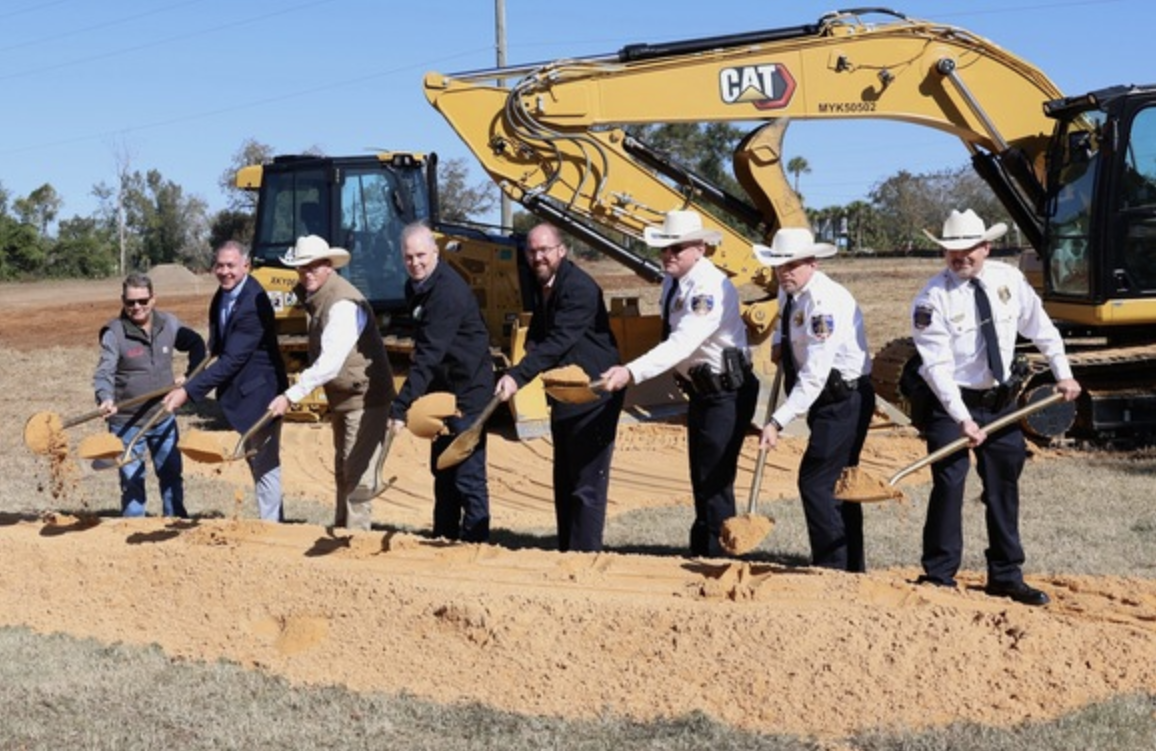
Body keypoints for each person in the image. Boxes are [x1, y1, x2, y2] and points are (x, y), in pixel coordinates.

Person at [911, 208, 1082, 606]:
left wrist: (1064, 372)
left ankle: (1005, 575)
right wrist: (964, 419)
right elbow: (936, 368)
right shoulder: (930, 299)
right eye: (952, 250)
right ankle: (938, 575)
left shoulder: (1008, 279)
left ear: (986, 247)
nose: (960, 257)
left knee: (1003, 486)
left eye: (969, 248)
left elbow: (1041, 327)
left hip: (1002, 403)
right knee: (949, 483)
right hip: (950, 403)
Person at [601, 210, 758, 557]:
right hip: (704, 392)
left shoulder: (709, 288)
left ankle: (720, 559)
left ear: (700, 248)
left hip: (726, 392)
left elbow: (681, 343)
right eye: (665, 248)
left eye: (678, 248)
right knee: (702, 477)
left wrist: (630, 372)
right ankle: (704, 550)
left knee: (715, 480)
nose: (669, 254)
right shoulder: (673, 281)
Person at [494, 223, 625, 552]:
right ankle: (566, 551)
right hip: (565, 390)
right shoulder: (543, 284)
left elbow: (559, 341)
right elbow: (539, 334)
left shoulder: (578, 288)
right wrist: (530, 358)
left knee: (586, 483)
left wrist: (518, 375)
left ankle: (584, 557)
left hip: (595, 390)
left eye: (545, 250)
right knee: (564, 478)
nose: (538, 257)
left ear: (561, 251)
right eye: (532, 251)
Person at [754, 228, 874, 572]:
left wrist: (777, 420)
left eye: (792, 264)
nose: (784, 271)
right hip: (825, 399)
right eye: (779, 265)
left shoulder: (824, 303)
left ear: (812, 262)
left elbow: (815, 375)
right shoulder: (790, 290)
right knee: (839, 482)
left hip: (842, 399)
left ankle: (832, 569)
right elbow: (783, 315)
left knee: (817, 481)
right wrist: (780, 341)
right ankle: (851, 566)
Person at [268, 235, 395, 531]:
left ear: (328, 266)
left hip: (365, 399)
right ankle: (342, 532)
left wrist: (290, 395)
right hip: (344, 397)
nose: (307, 273)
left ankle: (356, 541)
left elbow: (330, 362)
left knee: (357, 473)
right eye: (301, 268)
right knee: (344, 469)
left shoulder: (342, 303)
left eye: (313, 267)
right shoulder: (318, 297)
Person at [163, 240, 289, 522]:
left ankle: (273, 527)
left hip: (262, 392)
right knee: (255, 460)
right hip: (242, 390)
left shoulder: (253, 303)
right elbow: (216, 347)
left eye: (231, 265)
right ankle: (272, 521)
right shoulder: (223, 295)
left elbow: (232, 360)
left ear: (246, 266)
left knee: (264, 463)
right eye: (219, 265)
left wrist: (189, 392)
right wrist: (191, 374)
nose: (225, 271)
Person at [387, 223, 493, 542]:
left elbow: (428, 355)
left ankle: (476, 542)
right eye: (408, 257)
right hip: (442, 391)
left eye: (421, 255)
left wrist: (400, 407)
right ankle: (443, 537)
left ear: (435, 252)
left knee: (467, 473)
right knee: (442, 471)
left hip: (469, 390)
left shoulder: (447, 292)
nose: (415, 262)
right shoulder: (416, 287)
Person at [94, 272, 207, 518]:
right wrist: (106, 397)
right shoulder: (114, 333)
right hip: (127, 423)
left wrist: (189, 379)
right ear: (122, 301)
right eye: (130, 302)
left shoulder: (169, 324)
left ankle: (174, 522)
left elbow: (198, 344)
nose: (137, 307)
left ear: (153, 299)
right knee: (132, 480)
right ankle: (134, 527)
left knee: (171, 474)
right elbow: (104, 372)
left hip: (163, 418)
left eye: (143, 301)